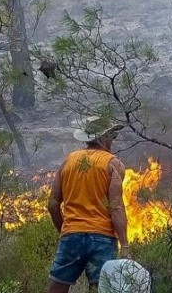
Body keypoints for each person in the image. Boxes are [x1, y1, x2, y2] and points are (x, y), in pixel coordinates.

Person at [46, 116, 130, 293]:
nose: (113, 140)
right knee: (100, 288)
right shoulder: (113, 164)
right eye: (112, 136)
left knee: (58, 286)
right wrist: (125, 245)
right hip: (102, 237)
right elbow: (116, 207)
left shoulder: (67, 162)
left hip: (72, 235)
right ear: (104, 137)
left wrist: (65, 231)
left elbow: (53, 204)